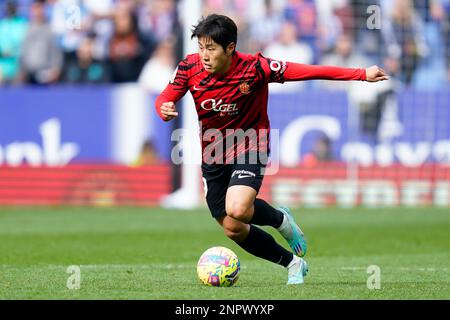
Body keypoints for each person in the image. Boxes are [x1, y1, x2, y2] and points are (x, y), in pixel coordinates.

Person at [155, 14, 388, 285]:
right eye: (201, 48)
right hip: (214, 150)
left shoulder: (255, 68)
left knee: (239, 209)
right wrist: (164, 109)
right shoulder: (189, 67)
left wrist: (360, 75)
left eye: (211, 48)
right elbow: (166, 96)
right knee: (232, 227)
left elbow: (308, 71)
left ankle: (280, 220)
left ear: (230, 48)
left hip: (250, 142)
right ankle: (293, 263)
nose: (204, 55)